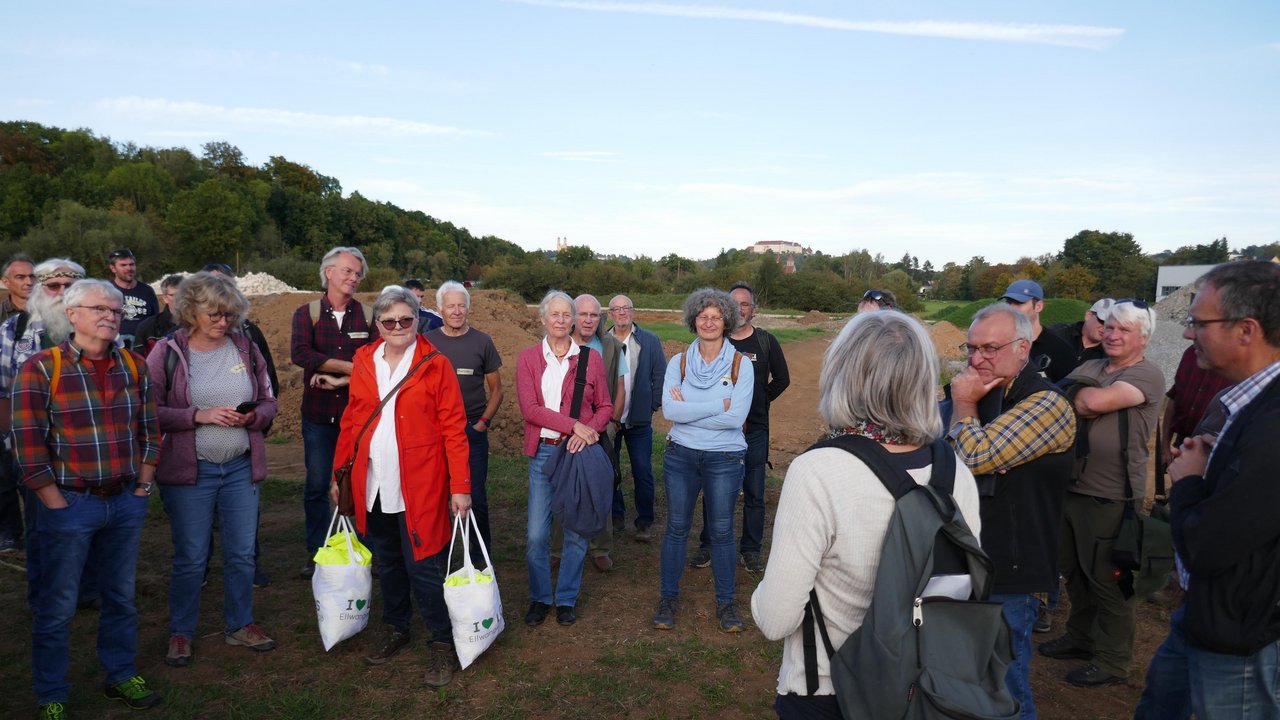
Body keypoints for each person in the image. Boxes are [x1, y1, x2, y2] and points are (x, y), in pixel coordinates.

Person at [751, 311, 982, 718]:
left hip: (830, 690)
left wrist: (759, 596)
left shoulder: (818, 471)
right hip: (925, 688)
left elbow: (775, 619)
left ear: (843, 374)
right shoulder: (955, 471)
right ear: (923, 381)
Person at [12, 279, 161, 716]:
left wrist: (143, 486)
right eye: (100, 309)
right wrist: (53, 501)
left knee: (120, 597)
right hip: (70, 504)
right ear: (72, 314)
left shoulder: (134, 366)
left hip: (125, 502)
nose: (110, 317)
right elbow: (26, 446)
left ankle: (119, 674)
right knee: (57, 607)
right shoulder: (42, 368)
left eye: (115, 311)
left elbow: (151, 433)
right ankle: (52, 695)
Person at [330, 286, 472, 687]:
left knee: (424, 565)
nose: (397, 327)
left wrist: (460, 485)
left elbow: (453, 429)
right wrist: (339, 475)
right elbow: (353, 422)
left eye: (405, 320)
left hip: (420, 484)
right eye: (388, 321)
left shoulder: (434, 363)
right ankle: (396, 627)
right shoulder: (363, 359)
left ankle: (441, 642)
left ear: (417, 320)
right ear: (378, 324)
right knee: (388, 561)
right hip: (373, 483)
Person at [947, 303, 1077, 718]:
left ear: (1023, 348)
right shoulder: (994, 393)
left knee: (1005, 683)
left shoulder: (1046, 403)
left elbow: (972, 456)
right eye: (971, 348)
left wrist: (963, 409)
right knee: (969, 673)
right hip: (972, 557)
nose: (977, 358)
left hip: (1012, 570)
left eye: (990, 348)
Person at [1165, 261, 1280, 719]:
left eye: (1198, 322)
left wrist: (1190, 479)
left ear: (1246, 330)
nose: (1189, 334)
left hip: (1241, 637)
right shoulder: (1251, 405)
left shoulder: (1272, 424)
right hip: (1212, 616)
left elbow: (1207, 546)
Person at [147, 272, 279, 667]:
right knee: (190, 556)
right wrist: (197, 415)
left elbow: (269, 400)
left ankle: (240, 624)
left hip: (239, 468)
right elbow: (148, 411)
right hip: (193, 472)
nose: (222, 322)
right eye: (214, 314)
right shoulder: (168, 352)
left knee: (241, 554)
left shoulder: (245, 348)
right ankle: (181, 632)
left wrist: (252, 417)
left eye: (228, 314)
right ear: (190, 311)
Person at [1039, 299, 1164, 687]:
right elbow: (1057, 400)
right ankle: (1080, 638)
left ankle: (1112, 660)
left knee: (1109, 582)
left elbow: (1089, 400)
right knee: (1073, 573)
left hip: (1111, 494)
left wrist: (1078, 397)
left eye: (1123, 330)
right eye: (1109, 327)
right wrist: (1077, 397)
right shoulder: (1093, 365)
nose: (1112, 335)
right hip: (1071, 487)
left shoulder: (1147, 375)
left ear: (1143, 337)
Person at [655, 288, 754, 633]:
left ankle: (726, 605)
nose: (708, 322)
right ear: (693, 320)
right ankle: (667, 599)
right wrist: (718, 405)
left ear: (726, 321)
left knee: (723, 531)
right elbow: (670, 411)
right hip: (681, 455)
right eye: (702, 316)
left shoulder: (742, 364)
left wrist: (689, 412)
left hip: (724, 458)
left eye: (715, 317)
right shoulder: (678, 362)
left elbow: (736, 417)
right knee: (677, 528)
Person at [515, 290, 612, 628]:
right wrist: (575, 425)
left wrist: (589, 433)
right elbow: (531, 410)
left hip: (578, 455)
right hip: (544, 451)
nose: (559, 320)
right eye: (552, 314)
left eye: (565, 314)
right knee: (537, 535)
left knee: (575, 530)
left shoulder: (590, 359)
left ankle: (566, 598)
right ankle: (541, 597)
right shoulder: (528, 358)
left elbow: (606, 408)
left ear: (572, 320)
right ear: (542, 319)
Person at [0, 259, 90, 609]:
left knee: (87, 524)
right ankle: (43, 596)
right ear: (40, 288)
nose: (62, 294)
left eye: (69, 286)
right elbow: (3, 391)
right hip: (34, 449)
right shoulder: (15, 330)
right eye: (54, 287)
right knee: (41, 527)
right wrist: (13, 445)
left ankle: (88, 590)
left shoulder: (95, 327)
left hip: (87, 449)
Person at [290, 246, 375, 579]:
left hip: (358, 416)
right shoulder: (306, 313)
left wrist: (337, 375)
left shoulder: (367, 316)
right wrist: (350, 368)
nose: (353, 278)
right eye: (348, 271)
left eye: (357, 274)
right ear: (329, 272)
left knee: (364, 482)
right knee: (316, 484)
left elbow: (374, 364)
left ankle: (369, 549)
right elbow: (300, 352)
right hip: (319, 416)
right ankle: (319, 552)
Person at [691, 280, 786, 574]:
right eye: (735, 303)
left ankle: (751, 549)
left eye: (745, 303)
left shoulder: (766, 342)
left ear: (754, 310)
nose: (740, 308)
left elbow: (782, 380)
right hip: (720, 431)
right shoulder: (718, 342)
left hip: (754, 431)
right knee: (715, 490)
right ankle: (708, 545)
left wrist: (759, 402)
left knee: (755, 492)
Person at [424, 280, 503, 561]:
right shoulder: (428, 342)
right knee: (437, 497)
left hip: (471, 429)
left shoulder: (482, 342)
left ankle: (480, 561)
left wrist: (482, 423)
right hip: (436, 433)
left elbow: (497, 389)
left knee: (475, 498)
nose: (456, 311)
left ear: (468, 308)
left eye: (461, 305)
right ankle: (439, 559)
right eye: (450, 306)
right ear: (440, 309)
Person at [553, 293, 626, 572]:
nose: (588, 319)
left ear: (600, 318)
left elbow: (618, 388)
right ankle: (558, 549)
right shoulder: (559, 343)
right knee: (563, 489)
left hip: (598, 429)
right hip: (563, 430)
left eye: (594, 315)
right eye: (582, 314)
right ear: (573, 316)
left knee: (600, 487)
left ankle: (600, 547)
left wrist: (611, 423)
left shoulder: (610, 347)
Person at [606, 294, 667, 542]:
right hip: (609, 419)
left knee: (642, 470)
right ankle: (616, 514)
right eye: (617, 309)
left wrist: (652, 405)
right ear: (610, 314)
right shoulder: (602, 341)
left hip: (639, 420)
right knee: (610, 469)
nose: (622, 312)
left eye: (626, 308)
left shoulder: (649, 341)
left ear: (633, 311)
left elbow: (660, 375)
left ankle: (645, 521)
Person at [0, 254, 35, 552]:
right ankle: (11, 531)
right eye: (21, 277)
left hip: (36, 405)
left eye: (31, 277)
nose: (28, 282)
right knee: (4, 474)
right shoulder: (3, 318)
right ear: (5, 282)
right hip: (5, 400)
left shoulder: (47, 314)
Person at [1000, 279, 1077, 383]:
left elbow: (1065, 393)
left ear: (1038, 306)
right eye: (1009, 303)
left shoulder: (1060, 350)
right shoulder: (998, 344)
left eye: (1019, 303)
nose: (1011, 308)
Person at [106, 248, 159, 350]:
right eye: (123, 265)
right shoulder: (106, 290)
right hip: (113, 346)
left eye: (131, 264)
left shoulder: (147, 291)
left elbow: (155, 320)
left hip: (142, 346)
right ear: (113, 268)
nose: (129, 268)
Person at [1049, 298, 1115, 367]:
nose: (1105, 328)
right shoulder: (1058, 334)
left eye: (1110, 326)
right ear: (1088, 315)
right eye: (1102, 321)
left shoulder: (1109, 357)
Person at [134, 274, 182, 356]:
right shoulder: (147, 327)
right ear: (165, 298)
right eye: (175, 295)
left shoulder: (199, 324)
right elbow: (139, 362)